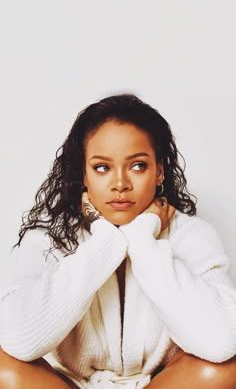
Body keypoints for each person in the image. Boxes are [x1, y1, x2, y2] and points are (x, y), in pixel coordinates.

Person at [0, 94, 236, 389]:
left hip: (162, 385)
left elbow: (222, 341)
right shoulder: (49, 236)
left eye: (137, 166)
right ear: (84, 174)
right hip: (70, 386)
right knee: (3, 365)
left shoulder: (191, 234)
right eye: (102, 168)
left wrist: (144, 240)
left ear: (159, 170)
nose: (120, 183)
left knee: (228, 367)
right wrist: (105, 242)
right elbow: (18, 339)